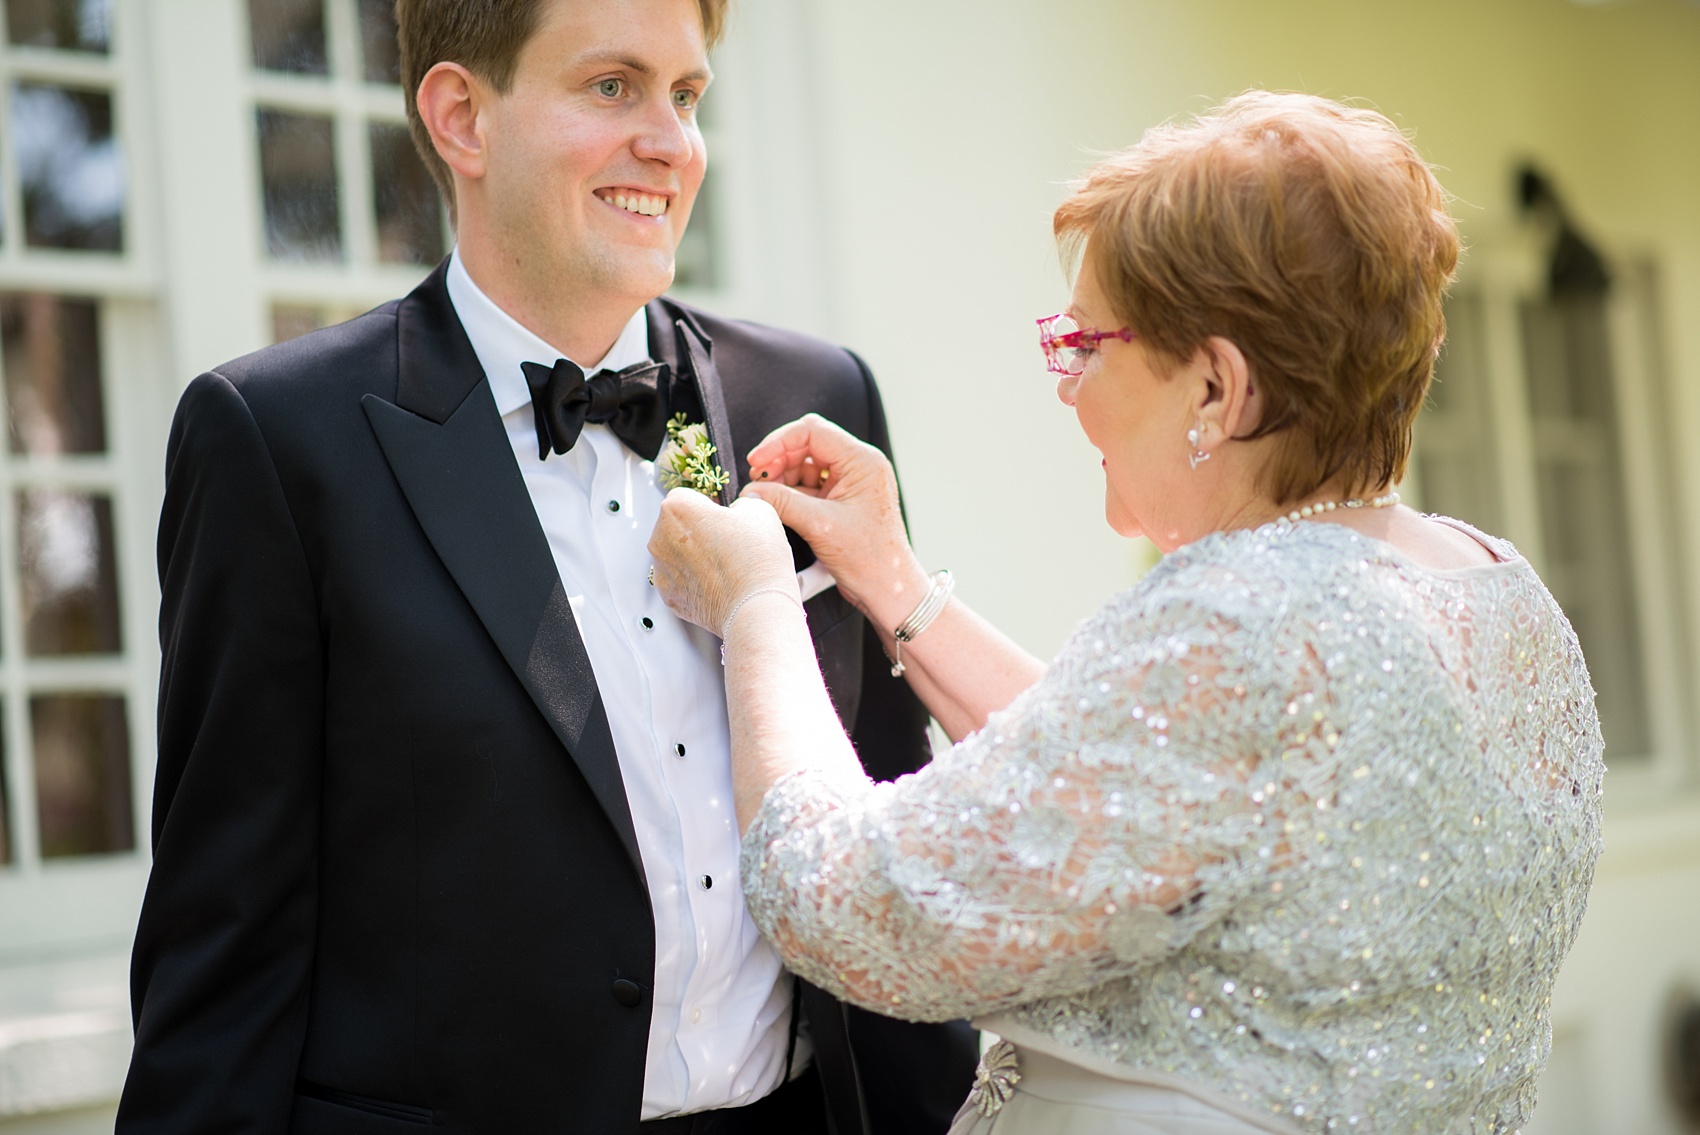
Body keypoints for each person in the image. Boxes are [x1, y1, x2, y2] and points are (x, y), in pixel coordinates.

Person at [646, 92, 1605, 1134]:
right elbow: (1119, 790)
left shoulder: (1239, 621)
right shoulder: (1495, 588)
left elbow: (847, 902)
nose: (1062, 385)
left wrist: (752, 603)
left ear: (1215, 389)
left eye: (1084, 342)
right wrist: (891, 580)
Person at [118, 1, 976, 1131]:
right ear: (462, 118)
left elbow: (889, 819)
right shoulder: (277, 443)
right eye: (613, 87)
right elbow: (224, 951)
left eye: (686, 94)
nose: (669, 143)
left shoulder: (813, 402)